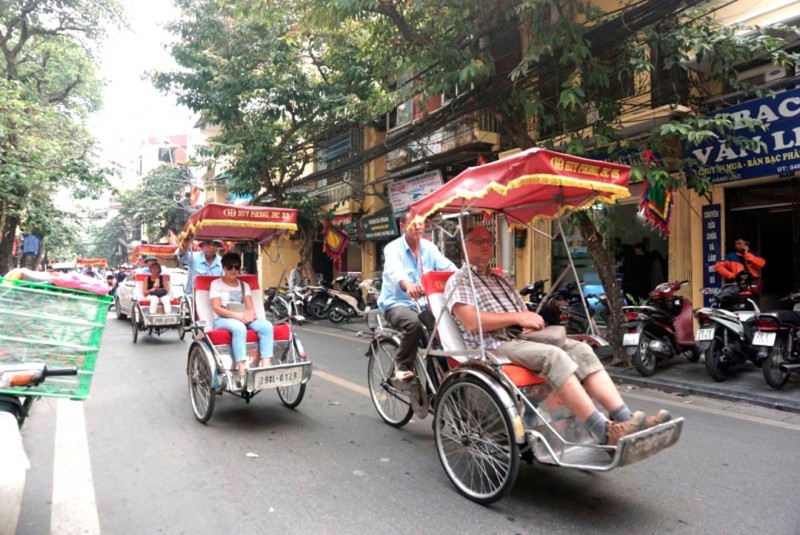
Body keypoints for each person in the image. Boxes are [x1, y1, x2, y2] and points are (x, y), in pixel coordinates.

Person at [446, 227, 671, 446]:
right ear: (465, 246)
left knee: (582, 350)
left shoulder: (501, 280)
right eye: (478, 241)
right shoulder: (459, 280)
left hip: (524, 340)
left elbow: (522, 314)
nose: (486, 245)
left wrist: (531, 321)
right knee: (555, 356)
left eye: (489, 240)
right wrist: (518, 316)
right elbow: (471, 322)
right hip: (495, 346)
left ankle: (625, 419)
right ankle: (603, 431)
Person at [378, 211, 456, 381]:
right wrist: (408, 286)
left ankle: (435, 386)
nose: (418, 227)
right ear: (403, 226)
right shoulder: (392, 248)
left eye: (421, 223)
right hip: (397, 304)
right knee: (414, 324)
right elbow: (395, 271)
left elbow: (447, 267)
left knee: (446, 333)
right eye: (413, 223)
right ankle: (402, 365)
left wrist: (464, 276)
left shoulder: (429, 248)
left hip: (427, 304)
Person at [210, 253, 274, 389]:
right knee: (239, 328)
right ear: (223, 268)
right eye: (229, 267)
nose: (233, 270)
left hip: (243, 317)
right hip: (223, 319)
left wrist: (249, 316)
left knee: (267, 326)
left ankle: (265, 366)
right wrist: (237, 316)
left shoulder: (244, 285)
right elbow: (216, 308)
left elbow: (250, 307)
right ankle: (241, 370)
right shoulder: (216, 284)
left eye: (236, 267)